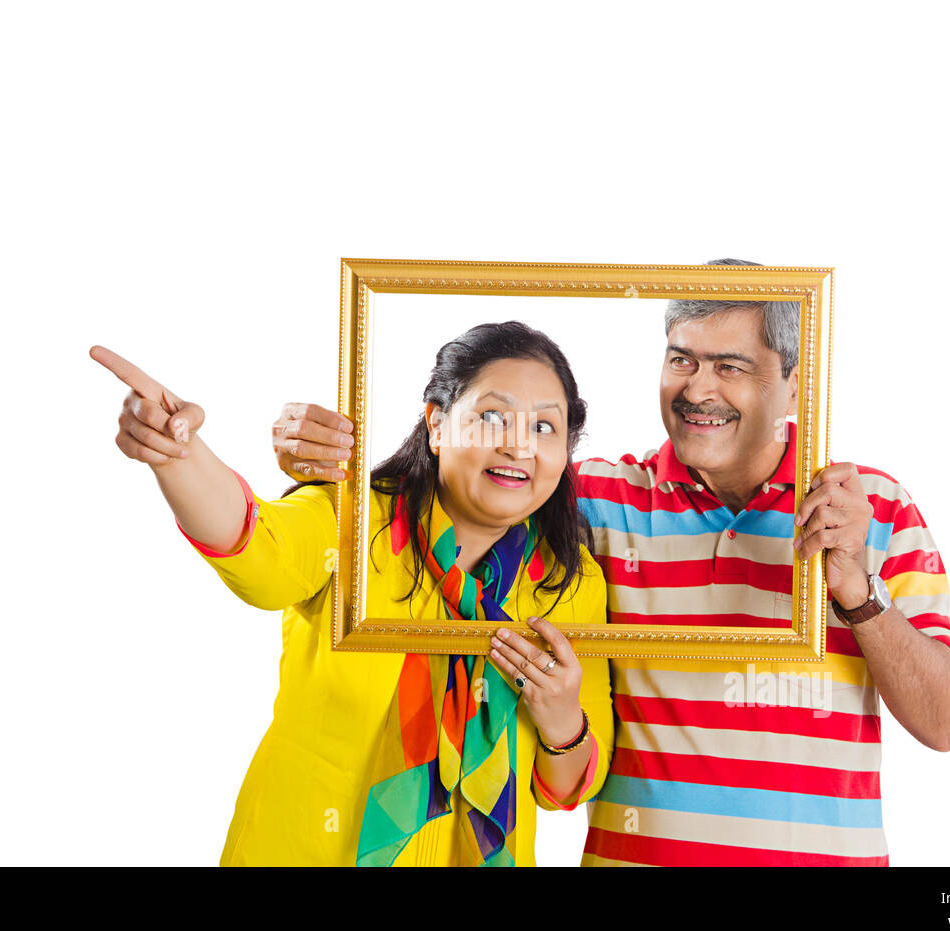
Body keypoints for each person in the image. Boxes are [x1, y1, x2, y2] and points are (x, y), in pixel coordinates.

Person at [272, 259, 950, 866]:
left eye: (731, 367)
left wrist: (859, 591)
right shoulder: (597, 502)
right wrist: (319, 460)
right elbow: (468, 480)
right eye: (682, 359)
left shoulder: (869, 507)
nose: (699, 389)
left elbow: (946, 724)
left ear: (795, 386)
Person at [89, 322, 611, 866]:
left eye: (545, 426)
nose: (517, 444)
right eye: (491, 417)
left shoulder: (570, 585)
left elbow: (570, 790)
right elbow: (255, 547)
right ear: (436, 425)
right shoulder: (355, 519)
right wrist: (178, 454)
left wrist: (561, 719)